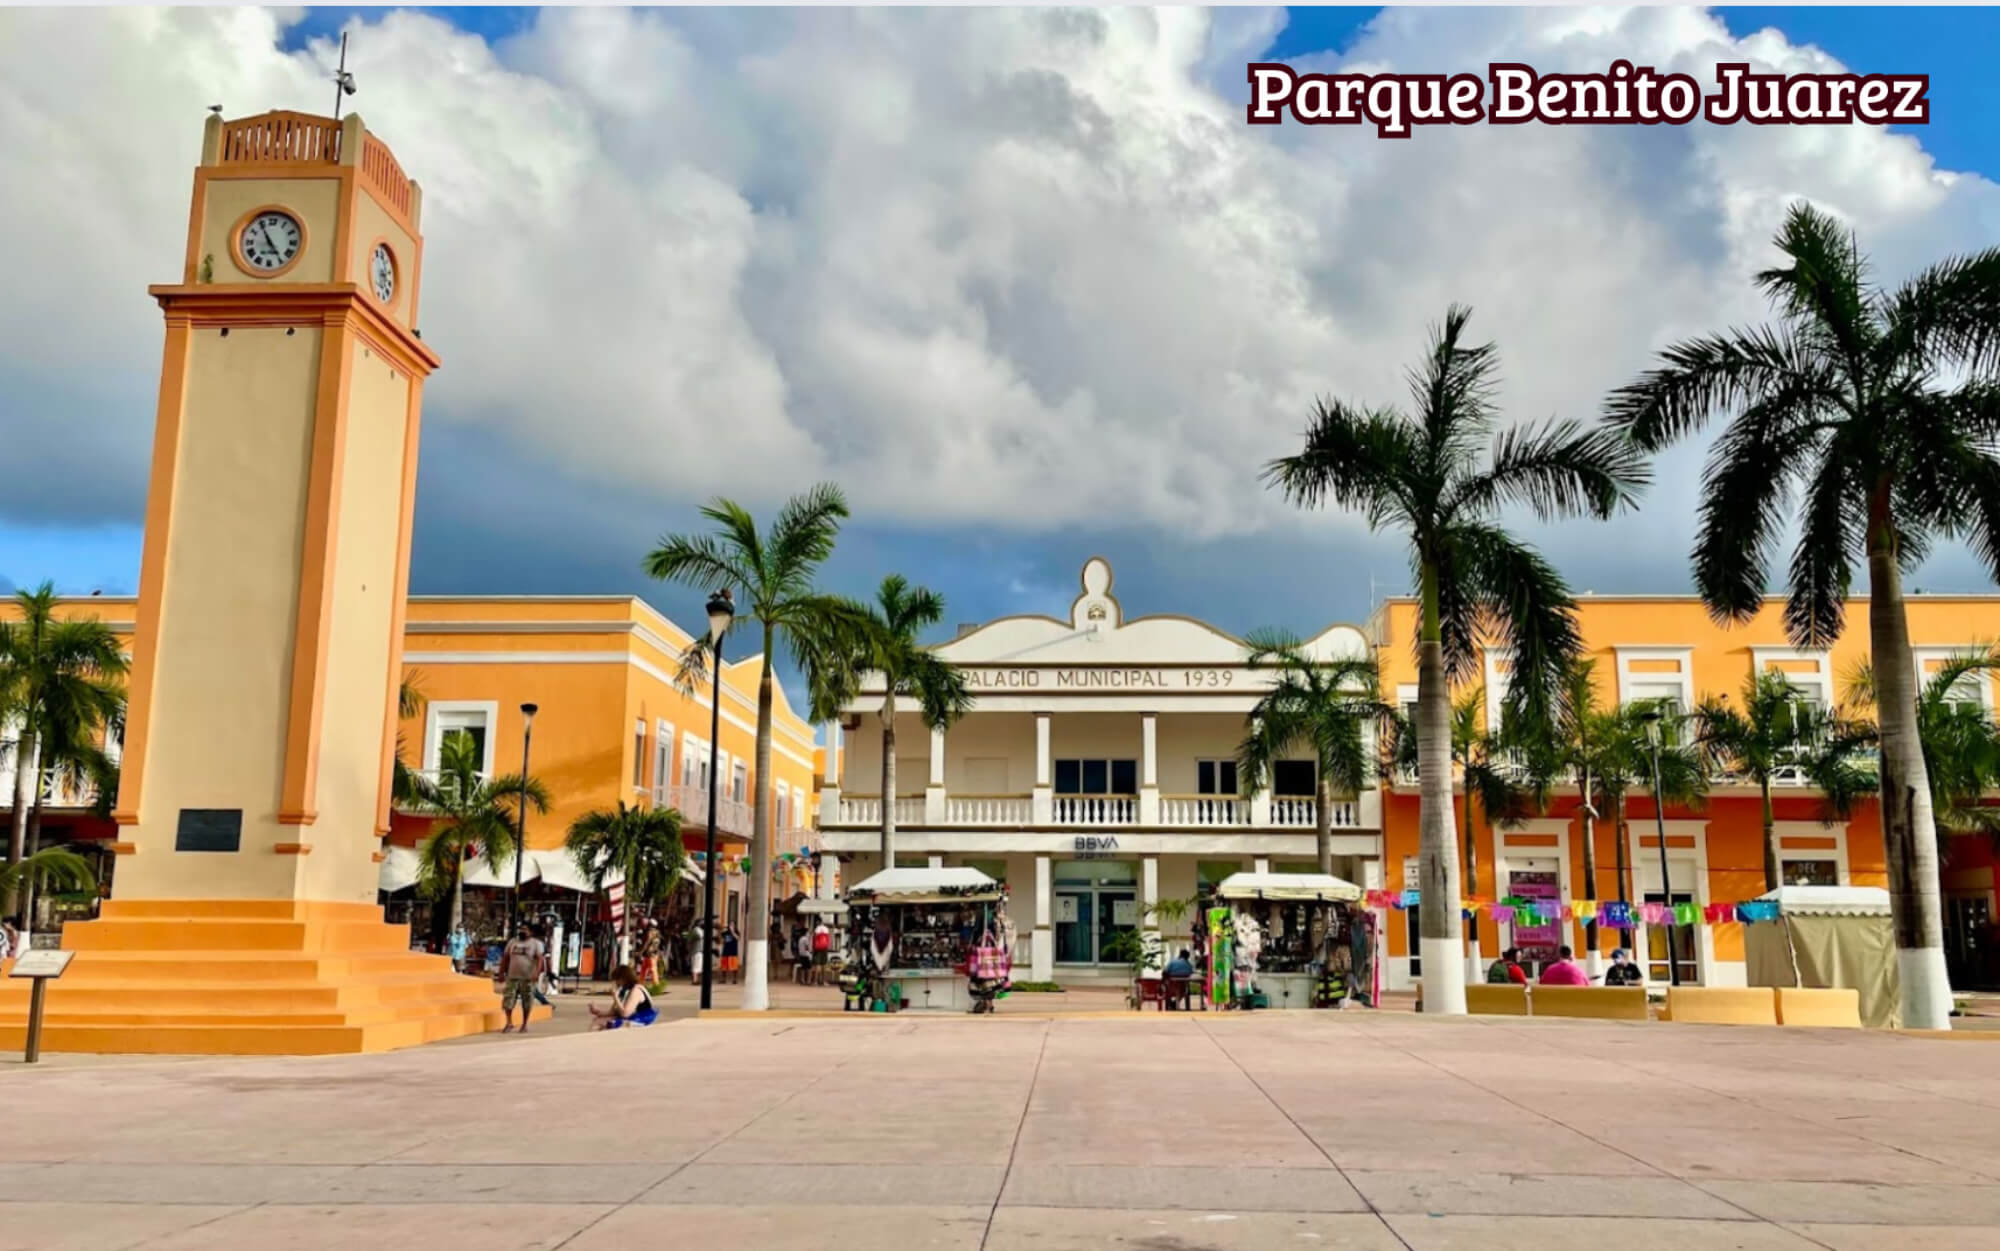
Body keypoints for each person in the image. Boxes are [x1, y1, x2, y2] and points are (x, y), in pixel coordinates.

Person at [498, 922, 545, 1034]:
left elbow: (540, 959)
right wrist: (501, 972)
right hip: (512, 976)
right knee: (508, 1000)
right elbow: (505, 958)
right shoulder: (512, 942)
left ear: (531, 932)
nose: (522, 931)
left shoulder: (536, 944)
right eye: (521, 929)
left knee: (527, 1002)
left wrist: (537, 973)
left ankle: (524, 1024)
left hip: (528, 978)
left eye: (525, 929)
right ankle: (509, 1022)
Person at [589, 964, 659, 1030]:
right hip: (633, 1017)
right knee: (598, 1020)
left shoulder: (636, 990)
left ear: (624, 979)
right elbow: (612, 1012)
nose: (616, 983)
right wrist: (598, 1012)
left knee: (606, 1024)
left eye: (617, 980)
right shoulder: (625, 990)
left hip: (642, 1018)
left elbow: (625, 1014)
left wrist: (616, 997)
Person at [810, 919, 833, 986]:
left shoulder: (817, 929)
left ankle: (815, 981)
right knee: (824, 965)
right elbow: (828, 939)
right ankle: (824, 981)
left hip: (817, 948)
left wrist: (813, 948)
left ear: (818, 922)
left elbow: (814, 939)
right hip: (825, 948)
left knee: (817, 965)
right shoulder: (826, 929)